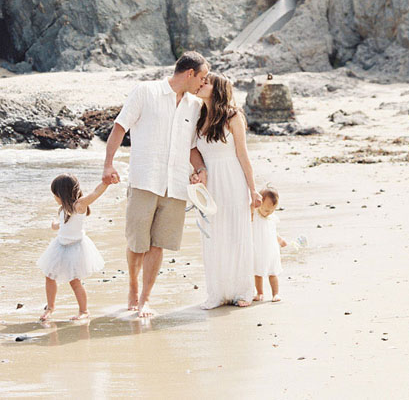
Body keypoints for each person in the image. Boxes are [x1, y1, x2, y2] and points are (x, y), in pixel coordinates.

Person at [102, 52, 210, 318]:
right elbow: (120, 128)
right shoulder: (145, 92)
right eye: (202, 77)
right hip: (144, 179)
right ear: (189, 74)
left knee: (158, 244)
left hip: (175, 185)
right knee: (137, 242)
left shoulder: (194, 106)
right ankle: (132, 286)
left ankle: (145, 300)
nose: (203, 82)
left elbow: (192, 147)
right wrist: (108, 164)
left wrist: (200, 169)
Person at [195, 72, 261, 308]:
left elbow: (243, 154)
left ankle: (243, 291)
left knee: (236, 233)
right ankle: (217, 292)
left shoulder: (233, 116)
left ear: (218, 89)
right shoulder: (198, 116)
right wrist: (198, 172)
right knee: (213, 235)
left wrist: (253, 190)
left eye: (206, 82)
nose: (201, 84)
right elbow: (194, 152)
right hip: (209, 182)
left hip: (232, 179)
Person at [37, 173, 109, 323]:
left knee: (74, 281)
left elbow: (95, 194)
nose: (54, 198)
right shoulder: (64, 209)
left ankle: (84, 310)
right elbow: (64, 225)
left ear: (61, 194)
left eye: (55, 194)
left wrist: (106, 183)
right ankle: (50, 307)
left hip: (75, 248)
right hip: (60, 246)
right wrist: (55, 225)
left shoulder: (79, 205)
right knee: (49, 276)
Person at [252, 187, 287, 303]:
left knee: (273, 273)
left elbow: (272, 231)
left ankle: (275, 293)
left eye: (272, 210)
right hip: (258, 249)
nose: (268, 213)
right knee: (258, 273)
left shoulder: (272, 218)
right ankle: (260, 292)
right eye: (266, 210)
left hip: (271, 250)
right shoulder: (255, 215)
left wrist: (280, 240)